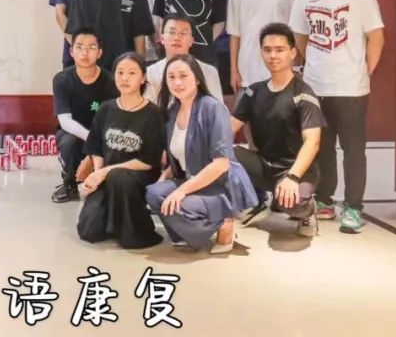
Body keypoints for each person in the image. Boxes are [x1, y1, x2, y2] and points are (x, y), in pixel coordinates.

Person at [289, 0, 384, 234]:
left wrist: (367, 70)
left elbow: (376, 35)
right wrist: (310, 65)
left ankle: (354, 207)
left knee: (354, 150)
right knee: (321, 148)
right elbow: (300, 35)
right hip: (316, 86)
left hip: (352, 87)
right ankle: (325, 199)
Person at [145, 54, 258, 253]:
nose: (177, 82)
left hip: (219, 184)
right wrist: (165, 177)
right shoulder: (172, 112)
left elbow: (221, 164)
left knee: (177, 204)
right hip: (190, 178)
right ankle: (191, 233)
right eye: (171, 77)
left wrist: (181, 191)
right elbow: (182, 153)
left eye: (183, 76)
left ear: (197, 79)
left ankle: (224, 221)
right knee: (154, 193)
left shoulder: (213, 108)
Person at [232, 24, 324, 239]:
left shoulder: (304, 94)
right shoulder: (253, 91)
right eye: (267, 50)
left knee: (290, 204)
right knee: (223, 156)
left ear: (292, 53)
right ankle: (255, 203)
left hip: (296, 170)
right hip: (263, 165)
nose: (273, 55)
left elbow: (313, 142)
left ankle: (308, 211)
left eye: (279, 50)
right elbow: (228, 128)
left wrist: (292, 177)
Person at [78, 52, 165, 249]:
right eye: (120, 72)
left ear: (142, 78)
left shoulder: (154, 114)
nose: (125, 78)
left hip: (138, 176)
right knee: (88, 231)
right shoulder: (106, 109)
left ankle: (137, 230)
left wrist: (106, 172)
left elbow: (149, 160)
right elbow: (95, 146)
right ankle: (115, 220)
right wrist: (97, 174)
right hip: (108, 175)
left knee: (119, 177)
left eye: (132, 73)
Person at [50, 28, 118, 203]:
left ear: (100, 52)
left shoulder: (111, 81)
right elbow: (65, 121)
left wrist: (93, 149)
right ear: (71, 51)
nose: (85, 53)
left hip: (103, 133)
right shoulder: (62, 80)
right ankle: (70, 184)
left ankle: (104, 182)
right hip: (73, 133)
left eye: (91, 47)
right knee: (69, 143)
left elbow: (112, 120)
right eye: (79, 47)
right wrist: (91, 142)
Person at [144, 16, 223, 102]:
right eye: (172, 32)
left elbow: (217, 108)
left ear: (191, 41)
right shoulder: (150, 73)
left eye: (183, 33)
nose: (177, 38)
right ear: (162, 39)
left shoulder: (209, 72)